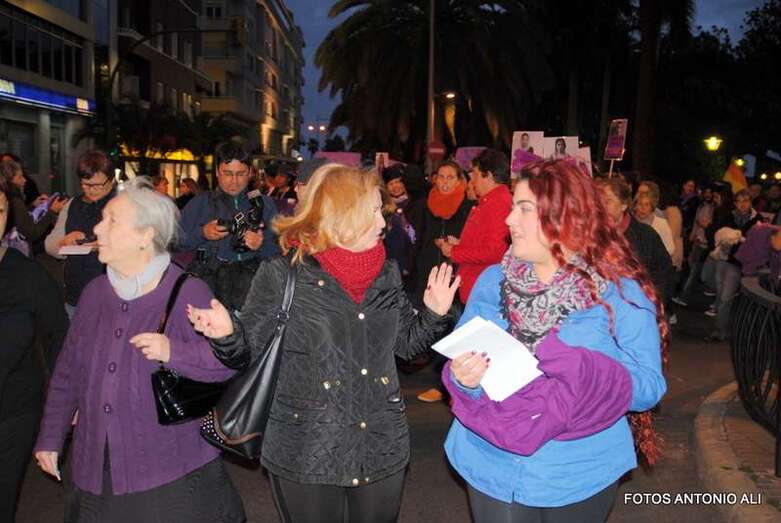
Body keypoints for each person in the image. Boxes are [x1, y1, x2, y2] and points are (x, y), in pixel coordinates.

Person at [187, 163, 460, 523]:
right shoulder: (282, 274)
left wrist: (434, 314)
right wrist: (226, 335)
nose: (383, 222)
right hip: (306, 447)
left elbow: (406, 346)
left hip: (379, 442)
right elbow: (246, 353)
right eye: (373, 211)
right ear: (343, 214)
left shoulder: (385, 272)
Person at [442, 160, 666, 522]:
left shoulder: (620, 293)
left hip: (578, 471)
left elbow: (649, 387)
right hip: (489, 458)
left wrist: (587, 369)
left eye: (524, 208)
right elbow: (461, 359)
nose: (509, 219)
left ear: (566, 217)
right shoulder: (492, 281)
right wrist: (465, 379)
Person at [34, 177, 245, 523]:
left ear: (146, 235)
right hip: (95, 468)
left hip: (168, 472)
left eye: (111, 221)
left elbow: (226, 369)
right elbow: (68, 370)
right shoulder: (94, 294)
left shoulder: (187, 292)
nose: (97, 229)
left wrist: (174, 352)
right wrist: (51, 436)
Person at [0, 181, 68, 523]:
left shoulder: (27, 275)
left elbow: (60, 334)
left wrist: (63, 400)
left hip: (13, 413)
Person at [180, 142, 280, 312]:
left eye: (241, 174)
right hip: (208, 294)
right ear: (217, 172)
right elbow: (174, 242)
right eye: (227, 173)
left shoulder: (264, 204)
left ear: (250, 172)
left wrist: (261, 245)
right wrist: (202, 233)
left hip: (253, 295)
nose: (234, 181)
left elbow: (281, 249)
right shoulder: (200, 204)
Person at [45, 150, 117, 318]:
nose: (90, 190)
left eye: (96, 185)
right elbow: (50, 246)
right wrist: (64, 242)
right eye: (85, 184)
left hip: (112, 296)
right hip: (75, 295)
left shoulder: (124, 204)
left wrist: (102, 246)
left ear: (112, 180)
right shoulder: (72, 205)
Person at [439, 149, 511, 304]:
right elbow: (484, 242)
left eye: (476, 175)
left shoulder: (499, 203)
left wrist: (453, 251)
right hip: (476, 289)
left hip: (483, 293)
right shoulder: (490, 201)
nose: (472, 181)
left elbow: (494, 252)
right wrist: (460, 244)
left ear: (488, 176)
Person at [598, 178, 674, 304]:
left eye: (608, 200)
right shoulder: (591, 235)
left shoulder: (646, 236)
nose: (601, 205)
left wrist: (648, 303)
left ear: (623, 205)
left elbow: (664, 275)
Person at [704, 189, 762, 341]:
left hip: (737, 263)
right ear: (735, 203)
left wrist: (740, 240)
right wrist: (719, 241)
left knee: (725, 297)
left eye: (745, 201)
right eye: (739, 201)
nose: (742, 204)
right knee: (719, 292)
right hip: (722, 258)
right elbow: (714, 231)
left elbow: (757, 243)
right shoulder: (728, 216)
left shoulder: (757, 220)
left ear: (750, 202)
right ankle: (721, 326)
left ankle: (720, 331)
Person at [1, 159, 67, 252]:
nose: (24, 180)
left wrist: (32, 206)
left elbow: (18, 220)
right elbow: (32, 232)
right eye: (20, 177)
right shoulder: (15, 201)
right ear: (9, 180)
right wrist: (51, 211)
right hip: (17, 253)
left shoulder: (7, 198)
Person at [633, 193, 676, 257]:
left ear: (651, 207)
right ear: (635, 207)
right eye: (640, 204)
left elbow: (670, 249)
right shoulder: (631, 223)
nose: (643, 208)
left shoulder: (661, 223)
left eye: (646, 205)